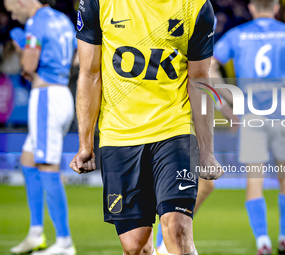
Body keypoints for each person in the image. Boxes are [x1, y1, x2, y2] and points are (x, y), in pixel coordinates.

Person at [69, 0, 223, 254]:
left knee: (177, 229)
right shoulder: (99, 3)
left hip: (174, 129)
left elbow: (198, 79)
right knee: (135, 246)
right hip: (119, 135)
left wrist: (206, 152)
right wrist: (85, 144)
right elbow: (89, 72)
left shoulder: (195, 6)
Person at [211, 0, 285, 254]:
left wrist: (231, 100)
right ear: (276, 8)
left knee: (254, 179)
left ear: (251, 8)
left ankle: (263, 242)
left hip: (251, 116)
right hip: (283, 114)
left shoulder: (237, 35)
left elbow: (210, 66)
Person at [4, 0, 77, 254]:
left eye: (13, 9)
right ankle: (36, 232)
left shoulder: (36, 23)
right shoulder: (63, 20)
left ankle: (64, 242)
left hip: (46, 98)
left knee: (48, 165)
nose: (13, 14)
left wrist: (21, 46)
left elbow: (29, 65)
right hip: (62, 93)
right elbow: (77, 57)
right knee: (28, 160)